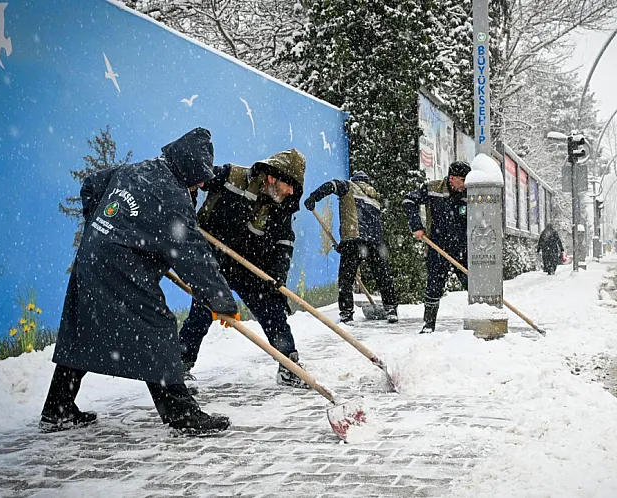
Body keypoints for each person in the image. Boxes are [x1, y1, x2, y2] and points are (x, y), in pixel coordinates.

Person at [41, 127, 240, 436]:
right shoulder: (172, 195)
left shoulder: (138, 169)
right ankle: (182, 415)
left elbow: (91, 185)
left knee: (84, 328)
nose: (201, 182)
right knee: (156, 328)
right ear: (188, 166)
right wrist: (222, 301)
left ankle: (58, 408)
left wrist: (104, 225)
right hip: (121, 268)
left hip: (92, 256)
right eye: (199, 175)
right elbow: (193, 256)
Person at [178, 149, 309, 389]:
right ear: (273, 177)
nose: (291, 192)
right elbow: (192, 178)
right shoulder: (231, 177)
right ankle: (179, 368)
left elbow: (284, 243)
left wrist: (277, 277)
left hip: (249, 267)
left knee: (272, 311)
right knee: (201, 314)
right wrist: (188, 208)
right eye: (289, 185)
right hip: (214, 261)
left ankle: (289, 366)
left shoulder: (282, 206)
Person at [304, 171, 398, 324]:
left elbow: (331, 185)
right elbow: (369, 225)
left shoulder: (348, 186)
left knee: (346, 280)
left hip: (354, 240)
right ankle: (391, 308)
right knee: (383, 276)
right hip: (375, 242)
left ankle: (347, 314)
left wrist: (314, 197)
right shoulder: (374, 197)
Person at [403, 161, 471, 334]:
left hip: (462, 249)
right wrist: (416, 226)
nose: (464, 185)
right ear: (452, 178)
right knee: (434, 285)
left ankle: (479, 319)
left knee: (472, 285)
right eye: (462, 180)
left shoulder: (471, 192)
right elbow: (408, 200)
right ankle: (428, 325)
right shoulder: (433, 189)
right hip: (438, 246)